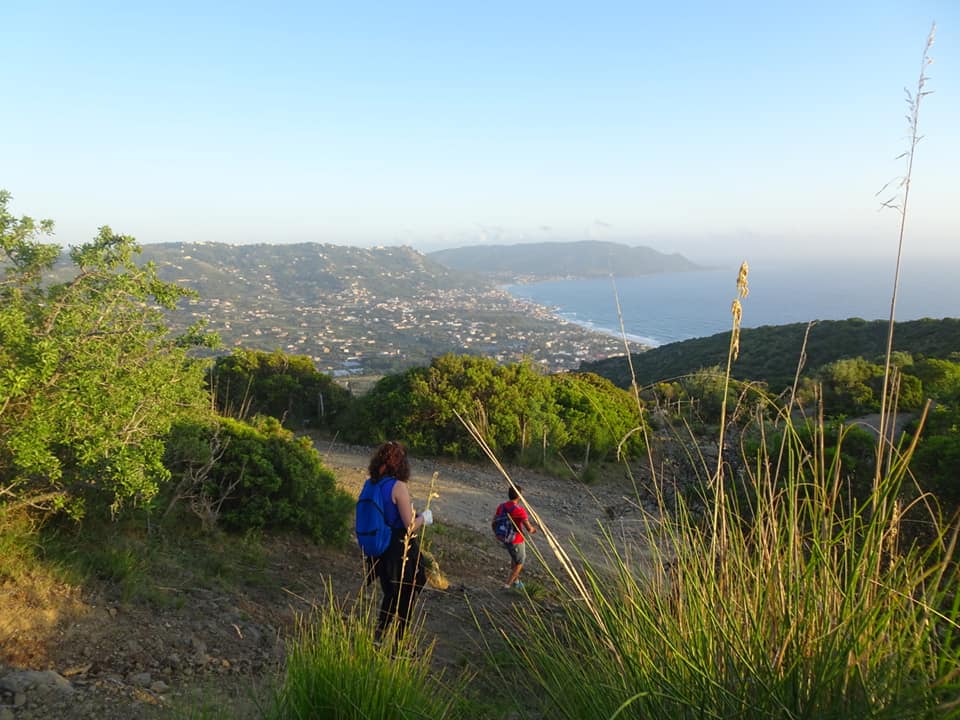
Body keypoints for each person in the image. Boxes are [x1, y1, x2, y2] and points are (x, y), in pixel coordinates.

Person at [365, 441, 432, 641]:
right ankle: (399, 645)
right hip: (398, 546)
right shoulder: (398, 486)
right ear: (400, 463)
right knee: (407, 592)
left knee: (390, 592)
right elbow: (409, 524)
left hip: (378, 546)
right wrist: (425, 517)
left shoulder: (371, 483)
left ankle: (379, 636)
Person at [493, 485, 536, 590]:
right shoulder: (519, 510)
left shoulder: (501, 506)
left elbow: (494, 521)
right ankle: (507, 585)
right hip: (516, 540)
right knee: (519, 563)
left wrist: (497, 534)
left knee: (514, 558)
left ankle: (516, 582)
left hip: (505, 538)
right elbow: (529, 529)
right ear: (519, 496)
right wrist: (534, 529)